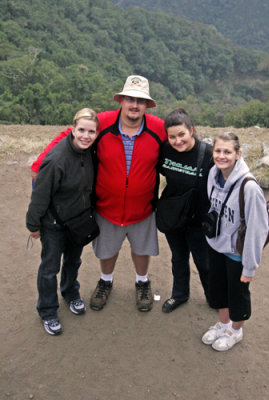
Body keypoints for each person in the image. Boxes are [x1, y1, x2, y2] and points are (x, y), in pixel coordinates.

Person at [30, 75, 167, 312]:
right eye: (130, 99)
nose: (134, 105)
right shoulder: (103, 122)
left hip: (143, 208)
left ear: (147, 105)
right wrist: (39, 166)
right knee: (107, 249)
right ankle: (106, 281)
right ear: (121, 100)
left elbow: (181, 143)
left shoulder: (158, 128)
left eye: (140, 101)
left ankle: (142, 282)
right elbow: (68, 134)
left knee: (142, 250)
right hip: (105, 206)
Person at [26, 108, 99, 335]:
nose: (86, 136)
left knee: (73, 261)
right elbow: (40, 195)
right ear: (73, 128)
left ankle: (70, 292)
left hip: (78, 220)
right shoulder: (56, 159)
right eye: (82, 130)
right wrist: (33, 225)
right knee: (49, 268)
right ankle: (47, 310)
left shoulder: (90, 153)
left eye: (91, 131)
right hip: (54, 224)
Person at [201, 132, 269, 351]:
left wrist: (249, 267)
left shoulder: (249, 187)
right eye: (218, 151)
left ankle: (235, 330)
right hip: (216, 244)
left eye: (227, 152)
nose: (222, 156)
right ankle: (223, 324)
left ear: (238, 154)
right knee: (218, 289)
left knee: (237, 294)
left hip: (236, 252)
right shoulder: (213, 174)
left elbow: (258, 230)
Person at [157, 108, 214, 313]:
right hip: (174, 215)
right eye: (172, 136)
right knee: (178, 257)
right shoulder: (165, 150)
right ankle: (179, 294)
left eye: (181, 134)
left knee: (204, 261)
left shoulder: (207, 153)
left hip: (199, 219)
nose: (177, 140)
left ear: (191, 130)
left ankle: (213, 297)